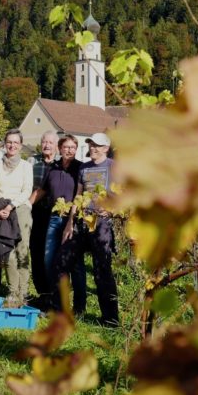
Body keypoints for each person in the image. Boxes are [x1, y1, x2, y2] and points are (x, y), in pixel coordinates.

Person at [54, 132, 119, 327]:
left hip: (102, 225)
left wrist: (113, 210)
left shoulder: (114, 167)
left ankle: (110, 320)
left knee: (102, 272)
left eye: (97, 146)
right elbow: (78, 196)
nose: (93, 148)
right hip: (82, 222)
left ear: (106, 148)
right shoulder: (84, 167)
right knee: (61, 262)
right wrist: (69, 223)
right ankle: (60, 311)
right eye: (91, 145)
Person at [38, 135, 86, 314]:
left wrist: (73, 220)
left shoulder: (80, 168)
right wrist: (22, 205)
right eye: (66, 147)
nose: (70, 150)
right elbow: (41, 191)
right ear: (59, 148)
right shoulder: (52, 168)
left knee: (76, 265)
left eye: (73, 147)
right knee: (49, 260)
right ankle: (56, 303)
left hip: (73, 220)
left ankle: (79, 307)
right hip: (54, 219)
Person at [0, 129, 33, 307]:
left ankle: (23, 294)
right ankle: (14, 292)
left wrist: (11, 205)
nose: (12, 145)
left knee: (22, 252)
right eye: (9, 142)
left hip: (19, 208)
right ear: (4, 144)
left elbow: (27, 191)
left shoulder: (26, 166)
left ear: (21, 145)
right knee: (7, 253)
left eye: (16, 142)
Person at [28, 130, 58, 307]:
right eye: (44, 142)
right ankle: (42, 293)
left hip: (54, 212)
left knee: (52, 254)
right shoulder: (33, 161)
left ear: (56, 145)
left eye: (50, 142)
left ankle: (53, 293)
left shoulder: (61, 164)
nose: (47, 145)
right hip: (36, 211)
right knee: (37, 252)